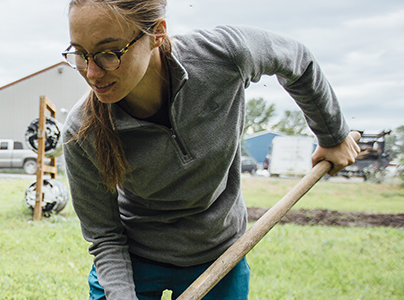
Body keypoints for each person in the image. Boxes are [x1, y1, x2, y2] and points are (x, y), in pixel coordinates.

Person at [60, 1, 361, 299]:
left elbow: (297, 60)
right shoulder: (81, 132)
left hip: (217, 252)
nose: (92, 72)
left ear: (157, 34)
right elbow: (105, 236)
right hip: (132, 258)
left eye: (109, 53)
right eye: (80, 54)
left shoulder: (224, 55)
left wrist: (332, 134)